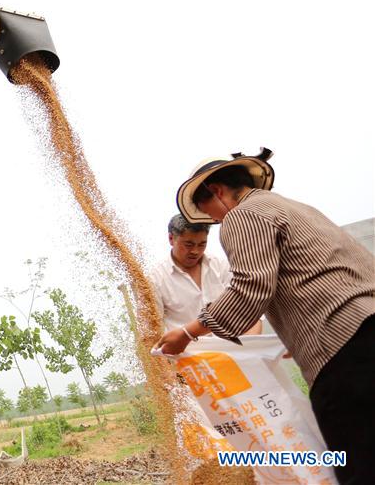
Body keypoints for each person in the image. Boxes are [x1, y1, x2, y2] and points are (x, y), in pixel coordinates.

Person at [155, 148, 375, 484]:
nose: (215, 221)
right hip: (363, 330)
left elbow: (250, 288)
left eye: (210, 213)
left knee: (359, 463)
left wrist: (188, 333)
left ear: (217, 191)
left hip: (343, 351)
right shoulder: (297, 208)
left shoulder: (242, 216)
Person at [149, 214, 262, 334]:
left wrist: (249, 345)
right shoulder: (156, 279)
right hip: (185, 351)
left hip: (229, 348)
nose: (195, 251)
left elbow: (250, 311)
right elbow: (152, 330)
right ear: (171, 239)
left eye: (202, 244)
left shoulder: (222, 267)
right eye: (188, 245)